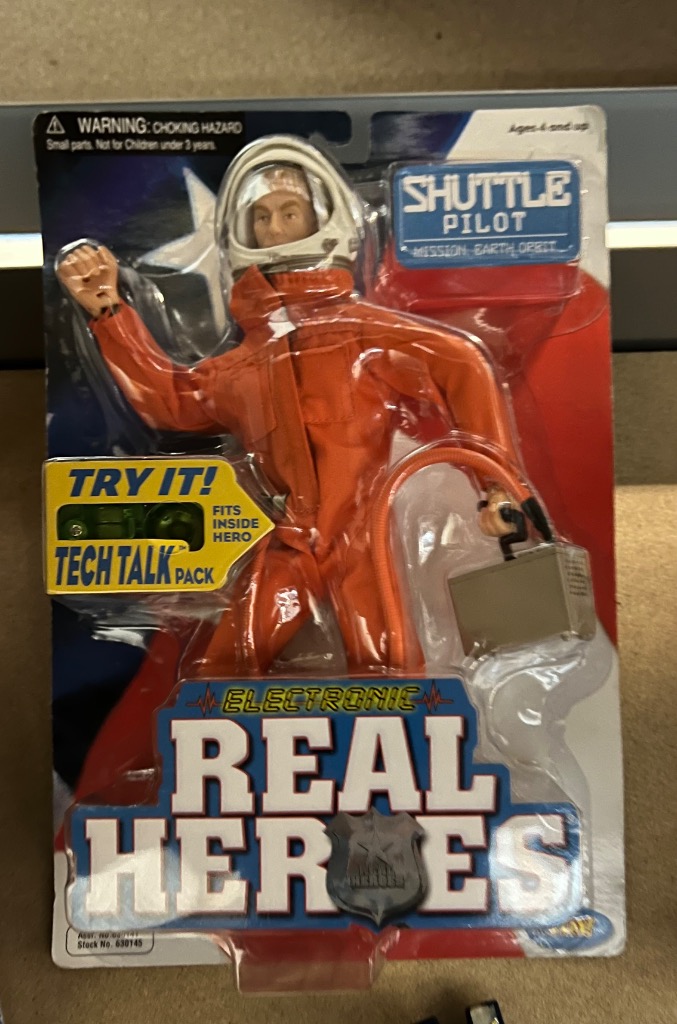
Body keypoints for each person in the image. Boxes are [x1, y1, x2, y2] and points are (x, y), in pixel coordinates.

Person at [56, 136, 527, 798]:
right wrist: (109, 310)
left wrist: (498, 487)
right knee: (221, 671)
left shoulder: (368, 333)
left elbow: (465, 366)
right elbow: (171, 400)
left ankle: (410, 795)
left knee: (389, 672)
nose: (276, 228)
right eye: (262, 216)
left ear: (323, 218)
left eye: (289, 211)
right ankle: (207, 793)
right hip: (289, 540)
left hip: (362, 535)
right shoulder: (247, 361)